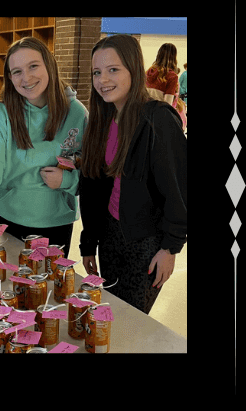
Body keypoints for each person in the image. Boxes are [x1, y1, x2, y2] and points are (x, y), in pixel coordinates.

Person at [80, 34, 187, 315]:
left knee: (132, 321)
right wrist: (88, 243)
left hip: (147, 242)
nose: (103, 80)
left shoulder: (158, 119)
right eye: (97, 72)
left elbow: (179, 190)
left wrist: (170, 248)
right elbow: (93, 188)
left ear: (134, 70)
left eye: (113, 70)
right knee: (110, 312)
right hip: (110, 235)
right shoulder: (102, 120)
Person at [0, 37, 87, 274]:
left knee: (51, 288)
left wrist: (66, 181)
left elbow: (91, 173)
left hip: (58, 221)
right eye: (17, 71)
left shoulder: (77, 113)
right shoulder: (1, 116)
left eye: (33, 66)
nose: (26, 78)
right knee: (16, 287)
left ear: (49, 66)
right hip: (13, 218)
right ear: (10, 78)